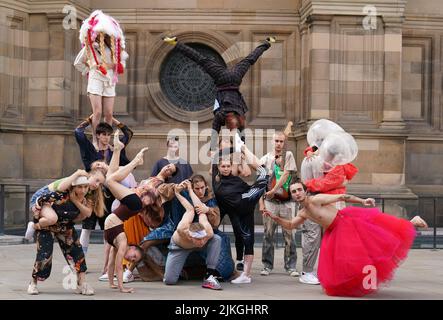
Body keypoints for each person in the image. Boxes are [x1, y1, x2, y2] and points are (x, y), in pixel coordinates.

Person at [263, 181, 428, 297]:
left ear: (305, 191)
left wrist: (363, 200)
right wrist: (274, 217)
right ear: (292, 196)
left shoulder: (316, 199)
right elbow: (291, 224)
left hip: (346, 223)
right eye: (293, 192)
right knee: (342, 263)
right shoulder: (303, 213)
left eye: (299, 190)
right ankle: (354, 285)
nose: (297, 193)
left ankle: (412, 222)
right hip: (333, 232)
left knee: (379, 236)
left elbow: (342, 197)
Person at [163, 35, 275, 151]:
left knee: (248, 59)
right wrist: (212, 148)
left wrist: (241, 145)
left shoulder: (240, 118)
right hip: (222, 80)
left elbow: (242, 136)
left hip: (235, 78)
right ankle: (176, 43)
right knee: (202, 60)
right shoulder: (221, 116)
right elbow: (214, 131)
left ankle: (267, 43)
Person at [27, 176, 98, 295]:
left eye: (85, 187)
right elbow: (39, 200)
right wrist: (36, 221)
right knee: (44, 255)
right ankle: (33, 283)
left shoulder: (87, 200)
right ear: (73, 187)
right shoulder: (61, 195)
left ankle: (82, 284)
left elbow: (86, 214)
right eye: (80, 187)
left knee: (78, 253)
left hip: (65, 226)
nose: (83, 190)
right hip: (47, 226)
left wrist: (76, 202)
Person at [212, 142, 269, 284]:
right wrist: (237, 148)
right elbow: (216, 157)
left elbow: (247, 187)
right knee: (263, 173)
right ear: (219, 167)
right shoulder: (216, 181)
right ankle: (244, 148)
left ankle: (246, 275)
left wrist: (238, 149)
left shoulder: (235, 179)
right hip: (239, 205)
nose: (225, 169)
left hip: (246, 200)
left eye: (228, 166)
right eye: (223, 166)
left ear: (231, 166)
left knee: (264, 173)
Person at [75, 10, 128, 147]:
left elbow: (120, 65)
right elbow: (78, 63)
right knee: (97, 112)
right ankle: (95, 139)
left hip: (109, 81)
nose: (101, 35)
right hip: (95, 80)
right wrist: (90, 70)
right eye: (99, 32)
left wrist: (112, 65)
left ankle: (106, 140)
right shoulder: (89, 47)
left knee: (109, 113)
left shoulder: (112, 49)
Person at [163, 182, 222, 290]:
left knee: (217, 239)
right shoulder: (182, 229)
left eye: (203, 238)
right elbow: (190, 209)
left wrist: (191, 191)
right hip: (180, 247)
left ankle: (210, 275)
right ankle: (179, 270)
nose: (202, 242)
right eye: (199, 239)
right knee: (169, 280)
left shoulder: (207, 232)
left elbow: (199, 210)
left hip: (193, 242)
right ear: (191, 237)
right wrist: (177, 193)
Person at [24, 169, 105, 241]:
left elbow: (88, 213)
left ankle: (61, 225)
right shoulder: (76, 179)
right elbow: (60, 188)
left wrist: (75, 201)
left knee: (82, 215)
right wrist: (77, 173)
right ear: (89, 176)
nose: (97, 185)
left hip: (57, 206)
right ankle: (34, 226)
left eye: (100, 184)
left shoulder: (91, 192)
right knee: (52, 218)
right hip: (44, 198)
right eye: (96, 180)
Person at [259, 130, 298, 277]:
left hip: (287, 202)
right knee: (268, 234)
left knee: (289, 234)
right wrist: (261, 204)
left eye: (281, 141)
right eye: (276, 141)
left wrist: (274, 189)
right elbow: (260, 184)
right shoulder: (264, 159)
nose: (279, 144)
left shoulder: (288, 155)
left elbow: (287, 173)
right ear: (271, 141)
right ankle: (267, 265)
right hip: (270, 203)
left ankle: (291, 267)